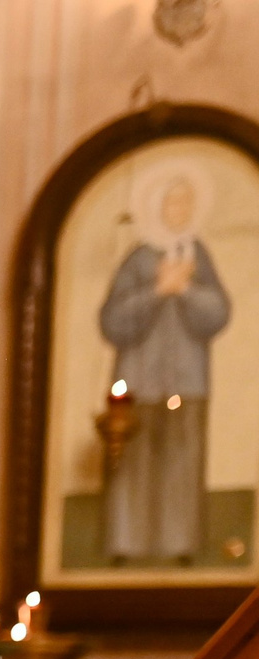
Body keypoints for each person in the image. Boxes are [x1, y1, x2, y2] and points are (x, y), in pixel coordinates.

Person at [100, 162, 232, 562]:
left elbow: (218, 312)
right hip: (139, 382)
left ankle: (180, 545)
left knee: (181, 460)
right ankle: (125, 545)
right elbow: (114, 320)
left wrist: (186, 288)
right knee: (134, 463)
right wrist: (157, 290)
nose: (180, 210)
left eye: (186, 203)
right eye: (172, 203)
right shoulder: (138, 259)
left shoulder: (197, 256)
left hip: (188, 382)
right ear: (157, 207)